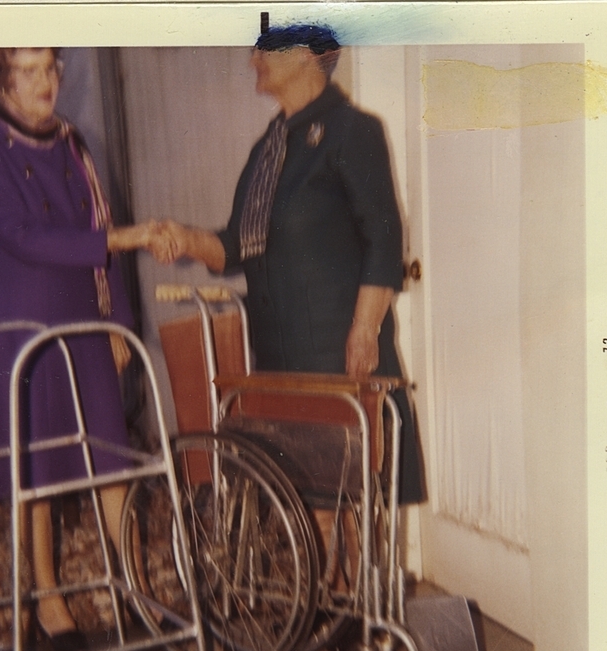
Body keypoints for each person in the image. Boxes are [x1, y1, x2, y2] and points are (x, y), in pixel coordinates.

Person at [158, 25, 424, 507]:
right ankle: (325, 587)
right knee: (307, 499)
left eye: (266, 46)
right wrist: (186, 239)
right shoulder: (269, 148)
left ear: (307, 54)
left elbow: (384, 240)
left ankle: (350, 586)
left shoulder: (352, 131)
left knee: (349, 498)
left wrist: (365, 330)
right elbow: (237, 245)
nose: (252, 58)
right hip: (281, 357)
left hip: (338, 353)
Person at [0, 47, 165, 651]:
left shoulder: (74, 143)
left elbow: (97, 218)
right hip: (23, 326)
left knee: (110, 459)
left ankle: (137, 590)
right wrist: (119, 238)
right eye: (29, 71)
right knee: (38, 469)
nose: (46, 81)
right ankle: (48, 599)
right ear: (1, 81)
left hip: (85, 319)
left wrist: (118, 319)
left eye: (51, 67)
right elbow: (22, 235)